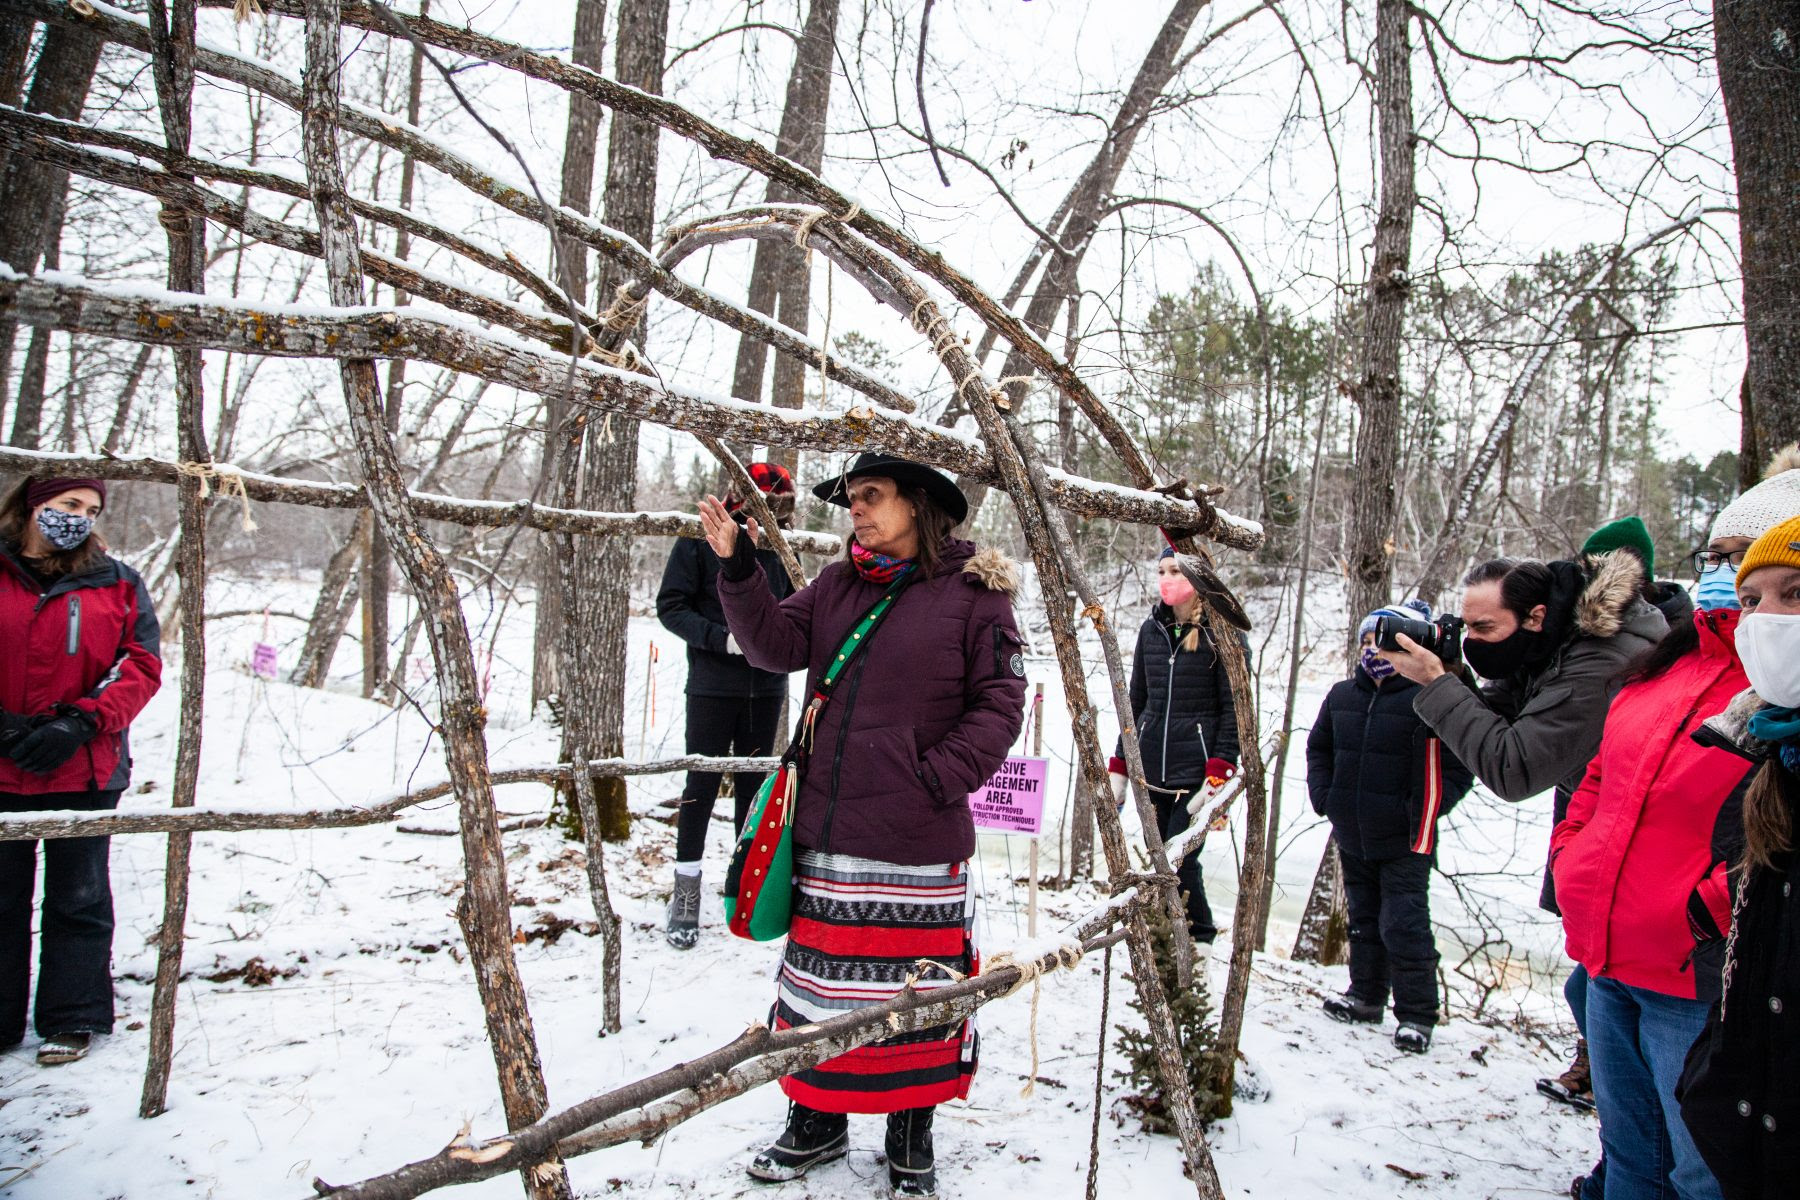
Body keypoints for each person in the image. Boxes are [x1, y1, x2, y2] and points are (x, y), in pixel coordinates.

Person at [701, 451, 1026, 1199]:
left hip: (919, 843)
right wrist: (739, 567)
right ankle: (815, 1120)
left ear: (917, 504)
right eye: (851, 498)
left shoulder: (976, 595)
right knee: (819, 996)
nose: (857, 509)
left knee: (920, 998)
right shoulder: (839, 582)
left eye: (872, 496)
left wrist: (933, 780)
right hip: (829, 836)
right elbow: (772, 647)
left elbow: (1000, 707)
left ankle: (911, 1128)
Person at [1548, 537, 1760, 1200]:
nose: (1725, 576)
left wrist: (1708, 909)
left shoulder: (1778, 682)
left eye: (1744, 559)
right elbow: (1599, 778)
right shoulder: (1667, 663)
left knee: (1701, 1176)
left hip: (1696, 977)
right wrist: (1571, 860)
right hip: (1609, 963)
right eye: (1716, 557)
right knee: (1630, 1155)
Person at [0, 476, 161, 1067]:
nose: (80, 517)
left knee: (80, 896)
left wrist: (79, 723)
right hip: (2, 764)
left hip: (84, 766)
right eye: (69, 505)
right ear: (31, 504)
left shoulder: (116, 582)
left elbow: (139, 664)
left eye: (91, 510)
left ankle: (72, 1018)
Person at [1676, 512, 1800, 1200]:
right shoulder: (1774, 759)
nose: (1766, 619)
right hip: (1752, 1126)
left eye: (1796, 593)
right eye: (1753, 601)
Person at [1306, 600, 1475, 1054]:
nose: (1373, 651)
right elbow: (1318, 748)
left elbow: (1461, 766)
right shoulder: (1342, 696)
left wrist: (1421, 808)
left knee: (1403, 925)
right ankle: (1365, 996)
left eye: (1382, 643)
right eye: (1366, 641)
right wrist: (1326, 798)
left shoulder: (1428, 700)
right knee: (1362, 921)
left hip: (1407, 838)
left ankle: (1417, 1015)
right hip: (1353, 831)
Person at [655, 461, 796, 950]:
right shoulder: (699, 539)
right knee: (702, 783)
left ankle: (745, 888)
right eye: (762, 500)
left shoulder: (782, 545)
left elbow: (796, 606)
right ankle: (686, 890)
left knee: (756, 790)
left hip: (767, 687)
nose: (771, 511)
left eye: (779, 504)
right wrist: (722, 639)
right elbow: (671, 605)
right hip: (713, 686)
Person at [1106, 546, 1244, 946]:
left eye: (1176, 571)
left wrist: (1219, 772)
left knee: (1180, 861)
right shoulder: (1152, 629)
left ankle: (1199, 939)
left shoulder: (1223, 633)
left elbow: (1234, 710)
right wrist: (1120, 764)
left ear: (1199, 578)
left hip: (1195, 774)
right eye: (1162, 570)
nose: (1166, 578)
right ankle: (1168, 937)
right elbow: (1136, 701)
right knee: (1158, 861)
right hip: (1151, 773)